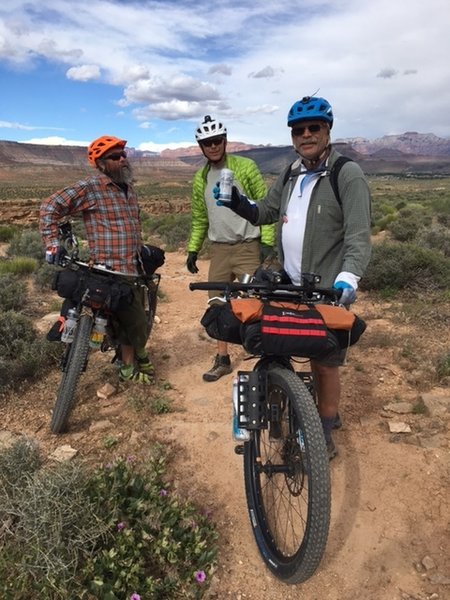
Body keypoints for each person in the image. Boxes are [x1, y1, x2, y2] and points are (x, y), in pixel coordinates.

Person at [214, 96, 372, 458]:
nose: (306, 135)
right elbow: (265, 212)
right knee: (275, 342)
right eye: (298, 130)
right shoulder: (290, 173)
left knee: (324, 360)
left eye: (313, 127)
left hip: (328, 284)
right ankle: (287, 397)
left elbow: (359, 235)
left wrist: (348, 277)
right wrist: (237, 202)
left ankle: (325, 430)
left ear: (327, 130)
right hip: (288, 279)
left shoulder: (346, 174)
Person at [40, 135, 156, 385]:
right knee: (128, 317)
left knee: (134, 320)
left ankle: (130, 364)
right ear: (101, 164)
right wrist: (52, 244)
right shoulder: (92, 188)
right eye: (115, 157)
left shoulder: (129, 189)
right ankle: (117, 358)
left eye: (124, 155)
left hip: (131, 266)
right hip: (106, 267)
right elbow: (50, 206)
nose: (122, 159)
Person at [186, 115, 276, 382]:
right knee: (217, 304)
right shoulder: (200, 177)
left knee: (256, 304)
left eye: (217, 141)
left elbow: (264, 204)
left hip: (248, 245)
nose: (213, 146)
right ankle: (222, 358)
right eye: (207, 143)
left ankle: (266, 359)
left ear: (225, 142)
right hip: (220, 250)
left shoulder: (245, 167)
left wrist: (267, 242)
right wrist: (193, 249)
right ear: (201, 147)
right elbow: (200, 217)